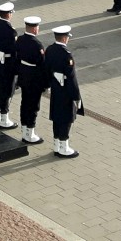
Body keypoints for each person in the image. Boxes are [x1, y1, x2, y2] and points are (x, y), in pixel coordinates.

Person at [44, 25, 82, 158]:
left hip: (55, 88)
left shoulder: (49, 49)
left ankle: (56, 145)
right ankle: (64, 147)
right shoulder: (67, 55)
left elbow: (46, 68)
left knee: (56, 116)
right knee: (66, 118)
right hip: (66, 91)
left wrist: (48, 84)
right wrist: (77, 96)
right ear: (65, 38)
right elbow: (72, 78)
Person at [15, 15, 47, 145]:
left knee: (24, 103)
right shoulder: (37, 44)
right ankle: (30, 133)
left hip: (23, 75)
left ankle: (24, 130)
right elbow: (42, 65)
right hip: (34, 78)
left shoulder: (20, 40)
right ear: (34, 29)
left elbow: (16, 57)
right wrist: (45, 84)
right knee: (33, 106)